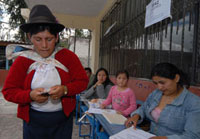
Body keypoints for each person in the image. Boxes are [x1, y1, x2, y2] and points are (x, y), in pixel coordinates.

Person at [2, 5, 88, 139]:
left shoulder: (68, 57)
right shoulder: (23, 60)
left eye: (49, 39)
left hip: (62, 122)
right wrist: (29, 95)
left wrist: (65, 90)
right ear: (29, 37)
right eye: (38, 39)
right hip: (33, 122)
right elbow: (8, 91)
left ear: (57, 37)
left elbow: (82, 81)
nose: (44, 46)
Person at [125, 63, 200, 139]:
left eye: (162, 82)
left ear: (176, 78)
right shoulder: (156, 93)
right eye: (156, 83)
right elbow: (144, 107)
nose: (159, 87)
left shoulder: (194, 103)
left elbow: (192, 136)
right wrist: (136, 116)